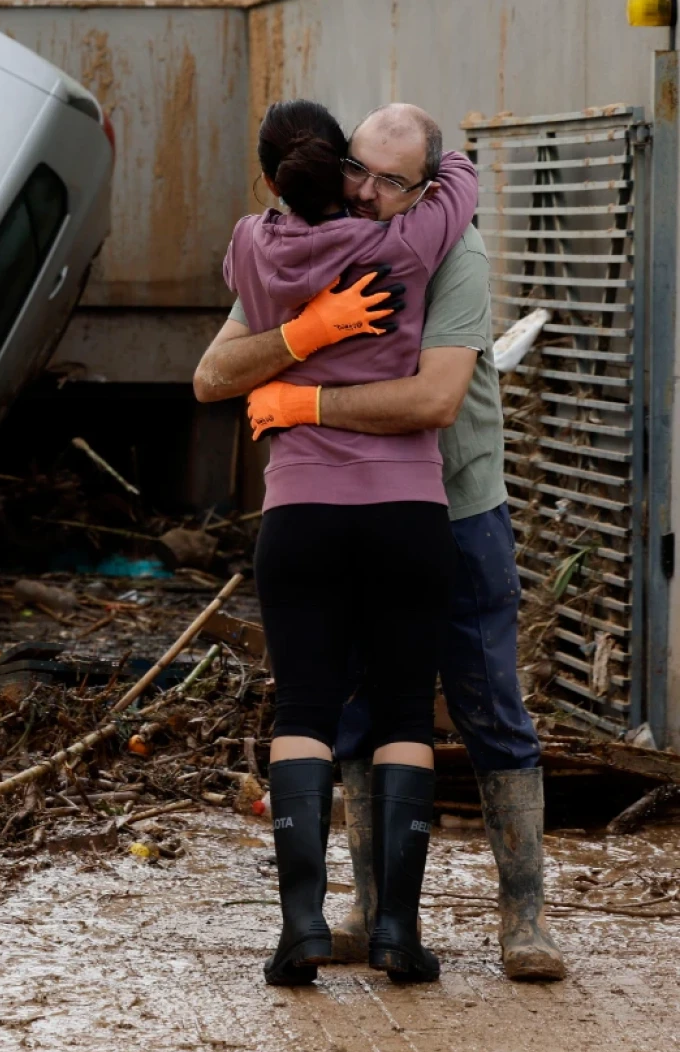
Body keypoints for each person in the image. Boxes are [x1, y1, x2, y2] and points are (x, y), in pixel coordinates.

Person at [195, 103, 566, 983]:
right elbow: (216, 371)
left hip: (458, 503)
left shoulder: (450, 250)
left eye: (389, 180)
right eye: (354, 167)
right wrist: (304, 332)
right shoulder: (348, 232)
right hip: (391, 509)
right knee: (368, 712)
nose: (363, 190)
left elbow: (434, 401)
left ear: (426, 187)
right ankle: (371, 912)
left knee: (487, 707)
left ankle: (524, 919)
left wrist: (304, 399)